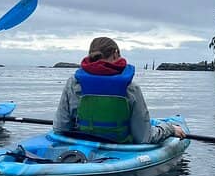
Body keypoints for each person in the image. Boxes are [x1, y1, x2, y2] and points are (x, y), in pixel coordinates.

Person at [54, 37, 186, 144]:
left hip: (82, 145)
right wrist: (169, 129)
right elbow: (144, 137)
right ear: (116, 53)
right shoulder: (130, 87)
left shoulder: (73, 82)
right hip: (120, 147)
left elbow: (61, 128)